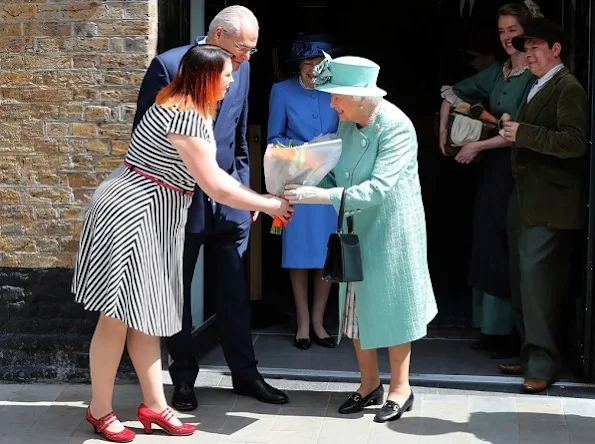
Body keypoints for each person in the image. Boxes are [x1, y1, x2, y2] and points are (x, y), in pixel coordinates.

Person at [72, 45, 293, 442]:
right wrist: (267, 202)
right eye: (227, 75)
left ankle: (154, 407)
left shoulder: (183, 103)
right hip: (132, 217)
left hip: (152, 214)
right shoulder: (185, 116)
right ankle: (99, 411)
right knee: (116, 321)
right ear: (207, 78)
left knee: (146, 315)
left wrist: (253, 199)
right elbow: (214, 185)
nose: (232, 81)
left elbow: (216, 180)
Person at [133, 6, 289, 411]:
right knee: (177, 294)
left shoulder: (243, 67)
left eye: (252, 51)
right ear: (218, 34)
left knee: (234, 292)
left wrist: (247, 190)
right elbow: (144, 139)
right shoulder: (168, 66)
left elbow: (238, 135)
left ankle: (246, 374)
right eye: (243, 48)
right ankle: (183, 378)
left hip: (231, 200)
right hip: (180, 203)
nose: (247, 58)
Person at [284, 54, 437, 423]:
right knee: (352, 308)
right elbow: (334, 174)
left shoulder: (396, 126)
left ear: (361, 96)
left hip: (391, 229)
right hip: (354, 229)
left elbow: (379, 189)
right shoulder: (348, 125)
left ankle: (402, 389)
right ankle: (369, 384)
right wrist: (295, 173)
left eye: (337, 96)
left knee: (394, 306)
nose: (331, 103)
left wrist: (320, 197)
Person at [438, 1, 540, 359]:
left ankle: (512, 332)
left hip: (519, 169)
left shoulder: (535, 74)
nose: (507, 37)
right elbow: (454, 92)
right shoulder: (499, 71)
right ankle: (490, 328)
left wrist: (477, 145)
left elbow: (516, 130)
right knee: (487, 242)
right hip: (493, 171)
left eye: (513, 30)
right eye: (502, 31)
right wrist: (444, 136)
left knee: (508, 246)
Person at [498, 18, 588, 393]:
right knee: (523, 283)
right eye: (526, 47)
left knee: (538, 285)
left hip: (550, 202)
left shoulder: (568, 87)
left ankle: (542, 363)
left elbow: (575, 142)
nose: (527, 53)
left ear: (556, 50)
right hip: (526, 199)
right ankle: (530, 353)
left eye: (535, 47)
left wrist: (524, 133)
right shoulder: (538, 84)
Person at [267, 34, 340, 350]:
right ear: (299, 64)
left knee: (326, 254)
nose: (313, 69)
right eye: (308, 62)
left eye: (319, 62)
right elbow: (274, 138)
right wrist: (305, 148)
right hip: (296, 181)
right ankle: (301, 323)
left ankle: (319, 322)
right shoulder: (281, 92)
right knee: (298, 257)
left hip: (330, 183)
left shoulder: (336, 92)